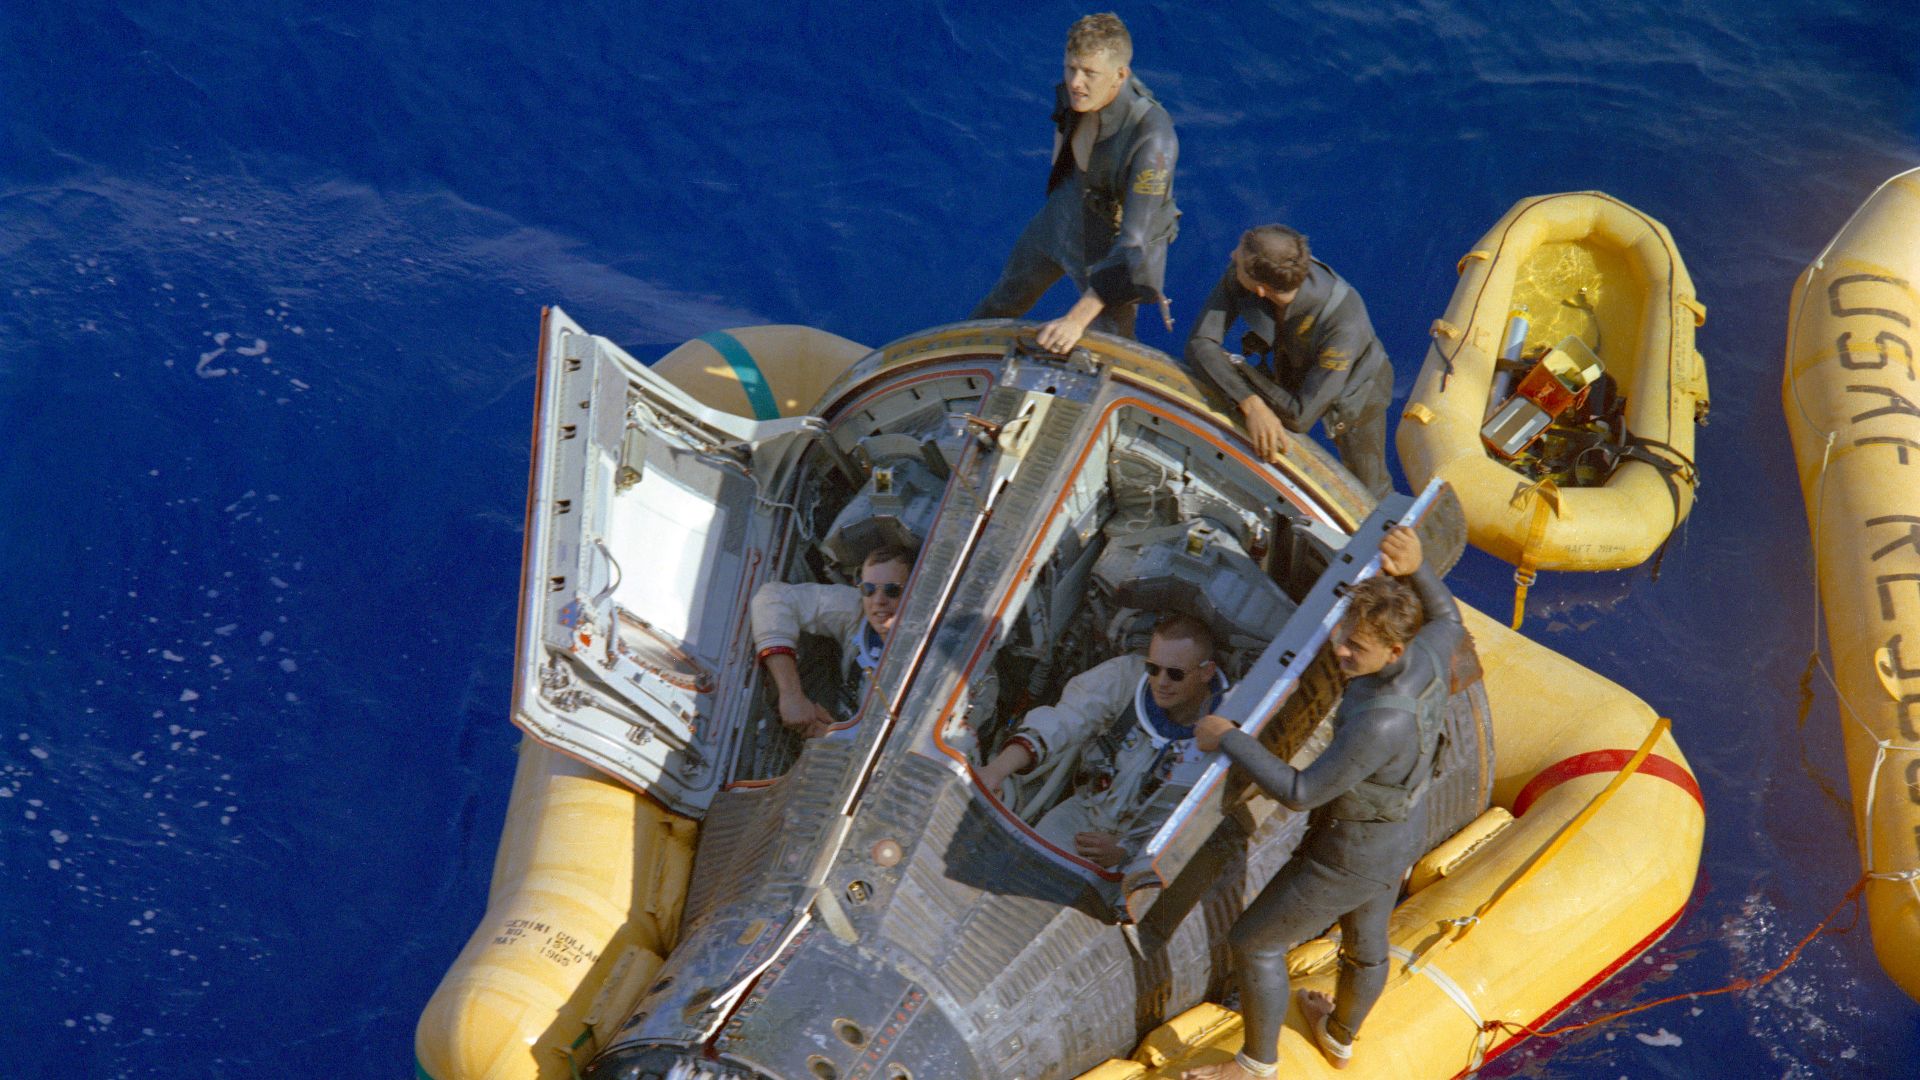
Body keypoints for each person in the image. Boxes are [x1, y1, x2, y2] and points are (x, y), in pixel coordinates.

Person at [1182, 526, 1461, 1078]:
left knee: (1255, 943)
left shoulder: (1382, 719)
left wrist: (1229, 736)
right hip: (1396, 834)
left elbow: (1301, 792)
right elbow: (1449, 617)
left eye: (1355, 647)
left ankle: (1255, 1066)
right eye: (1343, 635)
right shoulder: (1429, 651)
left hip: (1349, 853)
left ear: (1393, 650)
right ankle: (1340, 1038)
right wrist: (1418, 567)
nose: (1339, 651)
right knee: (1366, 946)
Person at [971, 12, 1179, 354]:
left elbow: (1134, 243)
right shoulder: (1078, 91)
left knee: (1113, 345)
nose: (1076, 83)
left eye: (1090, 73)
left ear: (1120, 74)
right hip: (1062, 213)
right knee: (1003, 298)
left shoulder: (1154, 139)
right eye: (1071, 68)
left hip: (1110, 247)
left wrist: (1076, 318)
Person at [975, 614, 1225, 868]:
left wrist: (1128, 850)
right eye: (1153, 668)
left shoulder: (1234, 723)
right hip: (1084, 815)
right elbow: (1062, 722)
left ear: (1206, 672)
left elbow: (1209, 821)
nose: (1161, 682)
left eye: (1175, 674)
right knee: (1019, 869)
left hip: (1150, 852)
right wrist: (997, 770)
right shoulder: (1124, 678)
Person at [1186, 224, 1395, 497]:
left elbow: (1301, 416)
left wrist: (1236, 369)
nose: (1232, 254)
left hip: (1355, 389)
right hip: (1293, 360)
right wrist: (1251, 403)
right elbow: (1199, 343)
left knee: (1368, 485)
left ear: (1260, 289)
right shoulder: (1246, 272)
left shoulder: (1343, 322)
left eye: (1238, 257)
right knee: (1274, 445)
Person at [750, 545, 914, 739]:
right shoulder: (857, 611)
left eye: (892, 590)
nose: (878, 600)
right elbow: (772, 598)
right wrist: (791, 695)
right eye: (868, 589)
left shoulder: (938, 653)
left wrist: (835, 738)